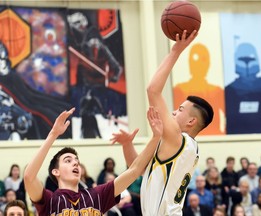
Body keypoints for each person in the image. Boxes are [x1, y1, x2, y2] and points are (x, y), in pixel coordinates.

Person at [113, 30, 213, 215]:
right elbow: (138, 168)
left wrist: (176, 51)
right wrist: (127, 144)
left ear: (192, 121)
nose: (174, 111)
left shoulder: (178, 139)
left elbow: (153, 90)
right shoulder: (179, 145)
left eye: (181, 109)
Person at [24, 106, 163, 215]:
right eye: (68, 160)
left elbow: (135, 170)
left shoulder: (96, 196)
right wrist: (53, 134)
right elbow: (29, 177)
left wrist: (156, 137)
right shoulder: (50, 200)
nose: (75, 163)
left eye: (76, 160)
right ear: (56, 171)